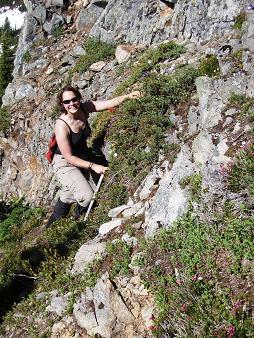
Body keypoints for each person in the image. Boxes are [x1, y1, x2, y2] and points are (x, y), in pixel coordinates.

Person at [46, 85, 141, 226]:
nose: (71, 103)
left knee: (69, 194)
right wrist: (93, 166)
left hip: (82, 156)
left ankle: (53, 229)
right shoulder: (61, 125)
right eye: (67, 102)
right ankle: (77, 226)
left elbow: (108, 103)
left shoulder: (84, 108)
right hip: (65, 162)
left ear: (79, 98)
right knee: (87, 196)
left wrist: (127, 97)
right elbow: (68, 157)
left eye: (74, 99)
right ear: (62, 104)